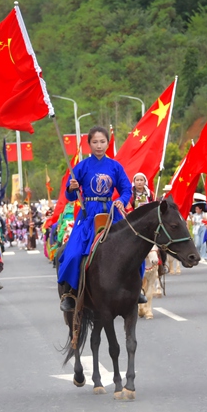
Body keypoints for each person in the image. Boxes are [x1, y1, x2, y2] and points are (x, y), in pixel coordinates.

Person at [58, 126, 139, 312]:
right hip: (88, 214)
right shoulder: (82, 166)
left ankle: (136, 288)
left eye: (102, 142)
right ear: (89, 144)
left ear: (108, 143)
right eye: (95, 142)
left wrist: (121, 200)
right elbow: (70, 196)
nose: (99, 145)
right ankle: (70, 293)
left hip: (111, 213)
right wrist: (71, 188)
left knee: (133, 248)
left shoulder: (115, 166)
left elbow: (126, 189)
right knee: (72, 253)